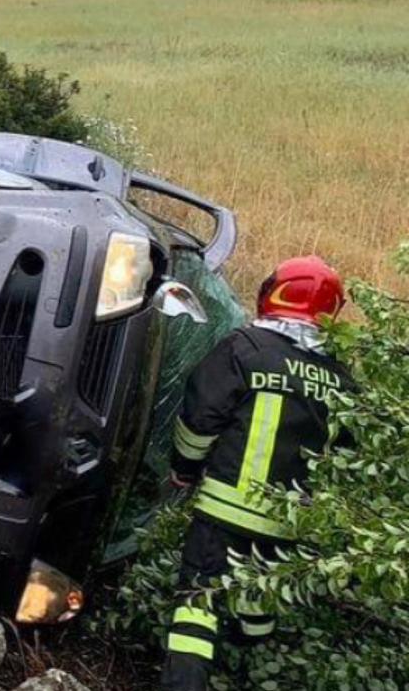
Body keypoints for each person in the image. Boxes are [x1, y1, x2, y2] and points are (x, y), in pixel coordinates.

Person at [161, 256, 357, 691]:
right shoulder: (342, 377)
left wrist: (183, 470)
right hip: (288, 528)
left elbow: (199, 419)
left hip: (226, 513)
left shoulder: (244, 348)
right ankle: (247, 673)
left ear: (276, 292)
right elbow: (346, 455)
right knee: (258, 604)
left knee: (197, 606)